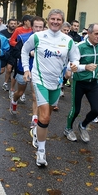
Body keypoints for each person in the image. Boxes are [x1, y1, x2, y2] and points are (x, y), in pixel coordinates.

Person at [22, 9, 80, 167]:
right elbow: (25, 50)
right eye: (53, 19)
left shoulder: (68, 40)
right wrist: (26, 69)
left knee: (46, 115)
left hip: (56, 82)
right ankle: (41, 151)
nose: (55, 22)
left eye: (58, 19)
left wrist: (73, 65)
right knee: (46, 116)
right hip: (40, 80)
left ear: (62, 22)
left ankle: (37, 130)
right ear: (48, 21)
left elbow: (75, 58)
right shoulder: (38, 36)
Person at [63, 23, 98, 143]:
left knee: (97, 110)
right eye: (96, 34)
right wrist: (85, 67)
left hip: (93, 82)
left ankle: (83, 125)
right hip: (79, 82)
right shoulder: (79, 46)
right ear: (88, 33)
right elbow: (71, 65)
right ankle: (68, 129)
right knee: (76, 110)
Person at [9, 16, 45, 123]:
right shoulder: (23, 38)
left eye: (40, 27)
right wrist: (29, 53)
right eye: (36, 27)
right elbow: (14, 53)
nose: (38, 29)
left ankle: (34, 119)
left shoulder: (47, 40)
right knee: (20, 92)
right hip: (23, 69)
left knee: (35, 96)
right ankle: (14, 101)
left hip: (38, 71)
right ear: (32, 27)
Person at [8, 15, 33, 100]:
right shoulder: (19, 30)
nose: (31, 23)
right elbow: (11, 41)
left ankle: (22, 92)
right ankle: (12, 89)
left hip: (29, 56)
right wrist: (22, 47)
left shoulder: (33, 30)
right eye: (30, 21)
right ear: (25, 21)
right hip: (18, 53)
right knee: (15, 72)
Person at [0, 19, 17, 91]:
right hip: (4, 52)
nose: (13, 25)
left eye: (14, 24)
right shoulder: (2, 32)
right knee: (2, 70)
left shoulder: (17, 33)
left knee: (9, 69)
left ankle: (5, 83)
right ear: (8, 24)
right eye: (11, 23)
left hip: (12, 53)